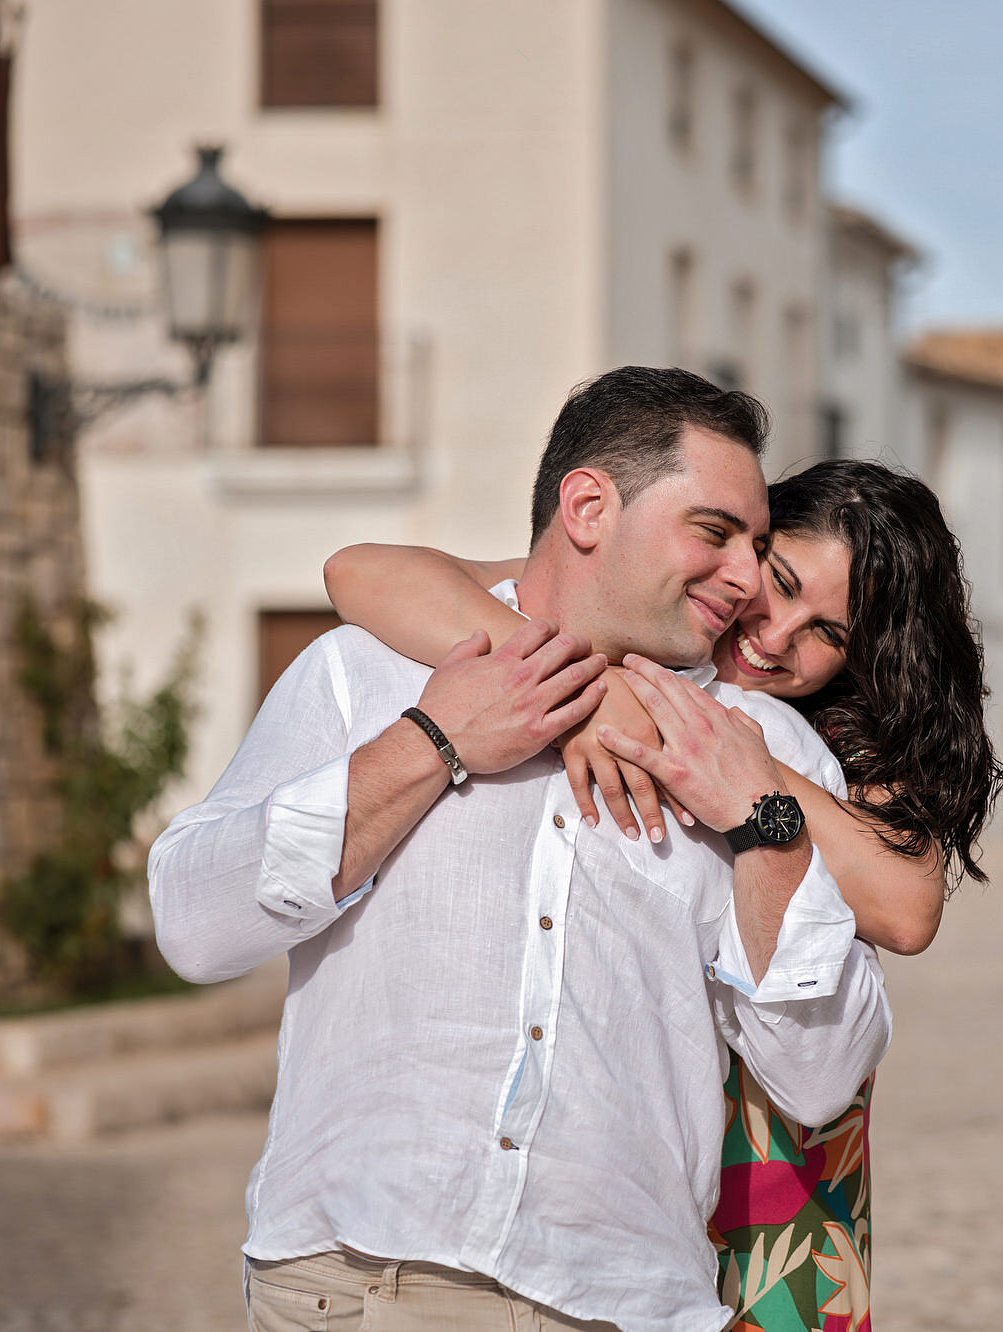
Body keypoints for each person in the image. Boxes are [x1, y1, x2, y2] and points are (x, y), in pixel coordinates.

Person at [148, 368, 892, 1332]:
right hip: (359, 1285)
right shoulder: (367, 671)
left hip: (620, 1306)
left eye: (756, 547)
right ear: (587, 506)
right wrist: (433, 743)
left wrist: (763, 825)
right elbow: (193, 926)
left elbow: (822, 1077)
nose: (748, 581)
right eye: (714, 534)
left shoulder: (764, 751)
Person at [325, 459, 1003, 1332]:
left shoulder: (842, 736)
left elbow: (908, 907)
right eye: (780, 583)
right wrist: (594, 692)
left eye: (826, 631)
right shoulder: (626, 618)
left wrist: (744, 776)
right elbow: (358, 569)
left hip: (775, 1113)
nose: (776, 636)